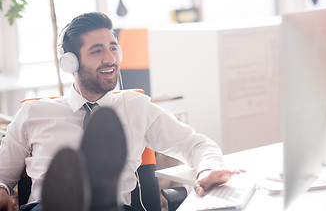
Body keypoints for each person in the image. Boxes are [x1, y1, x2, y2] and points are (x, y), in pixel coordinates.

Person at [0, 12, 240, 211]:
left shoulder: (135, 106)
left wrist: (208, 168)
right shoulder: (34, 113)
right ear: (70, 62)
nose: (110, 59)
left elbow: (197, 145)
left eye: (113, 48)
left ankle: (97, 194)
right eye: (97, 51)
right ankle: (72, 197)